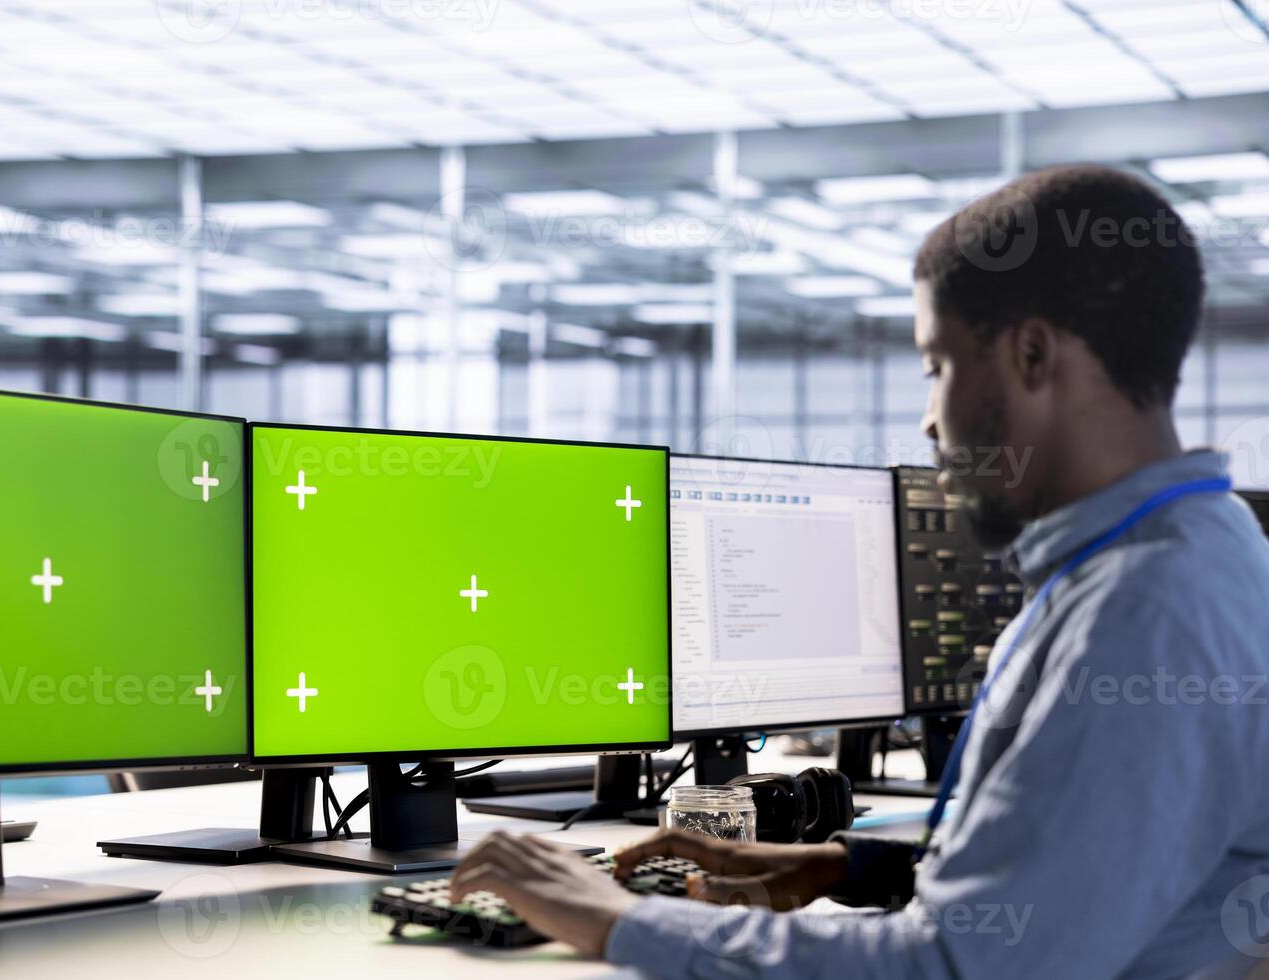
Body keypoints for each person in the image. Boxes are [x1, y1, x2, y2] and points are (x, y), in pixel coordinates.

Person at [449, 164, 1269, 977]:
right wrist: (850, 868)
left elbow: (954, 970)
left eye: (936, 367)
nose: (929, 416)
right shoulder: (1198, 546)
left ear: (1029, 355)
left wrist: (618, 920)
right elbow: (1083, 883)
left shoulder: (1148, 610)